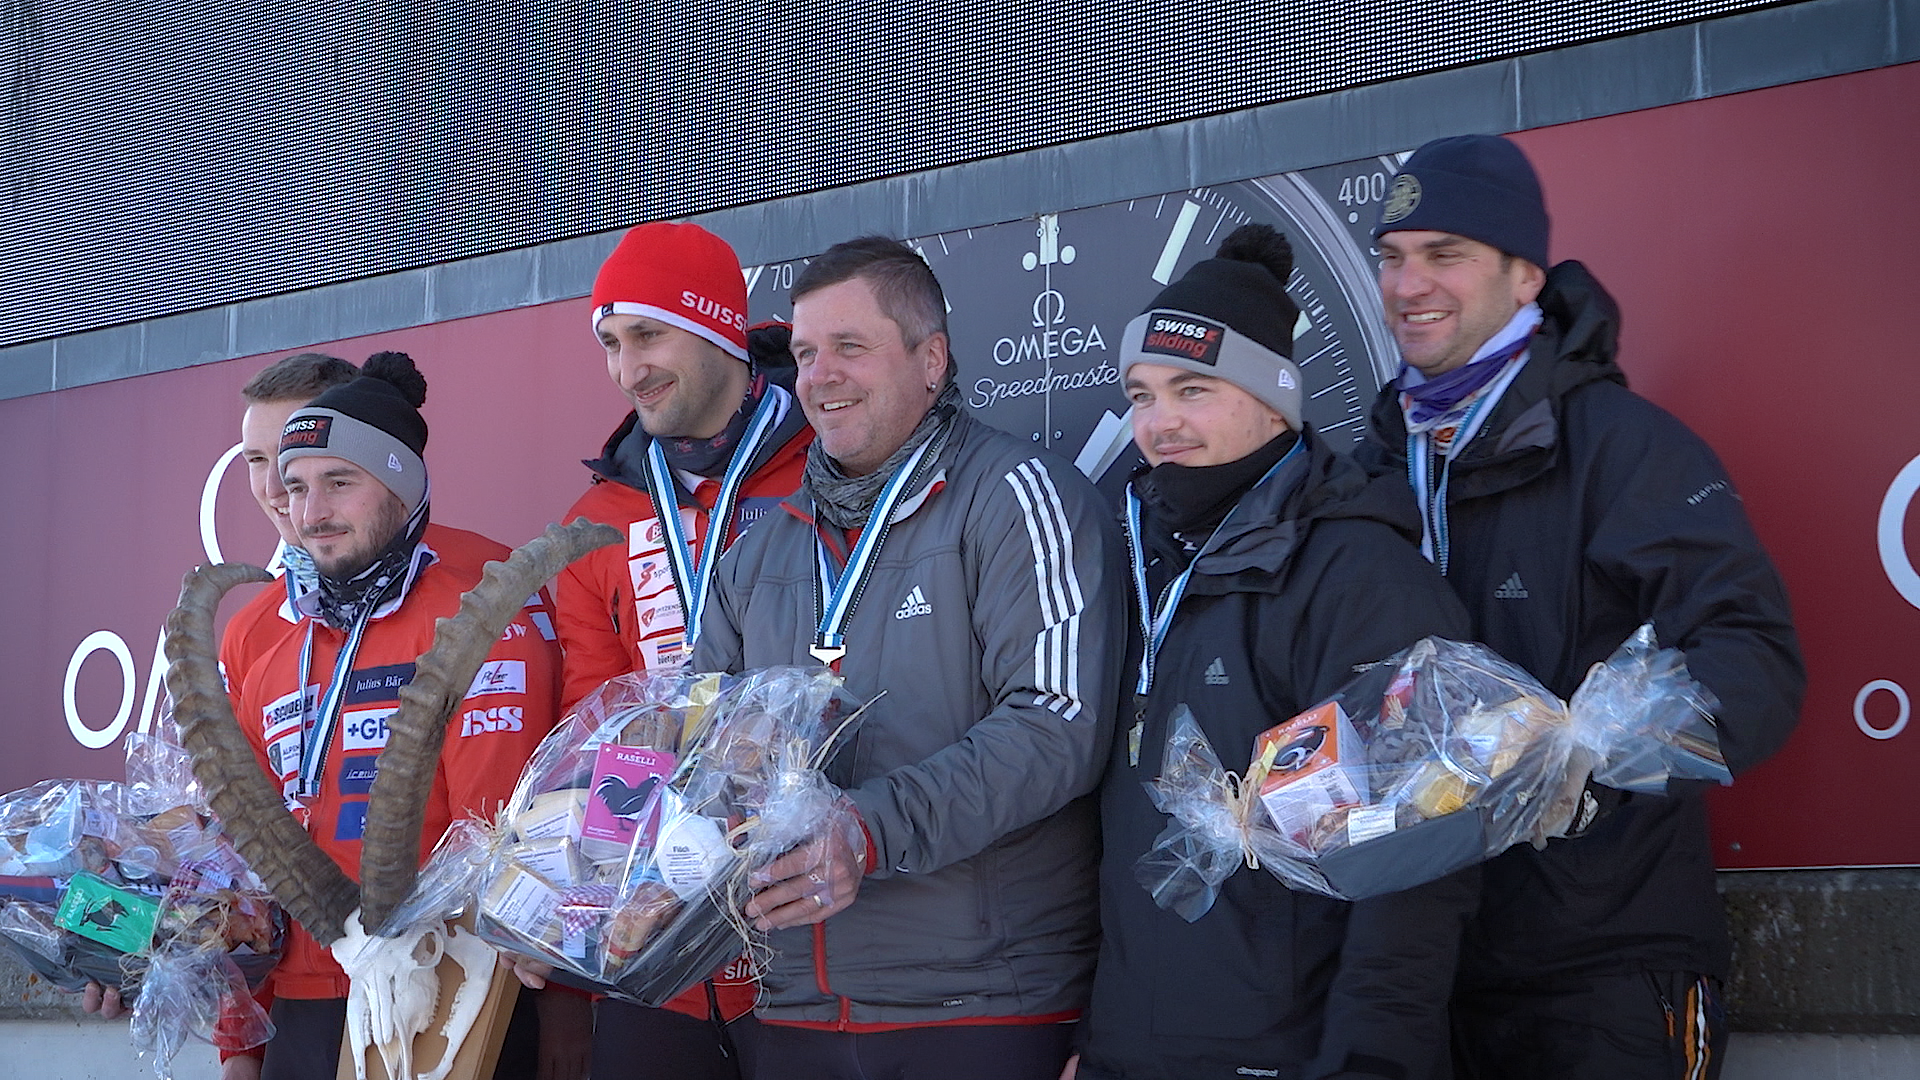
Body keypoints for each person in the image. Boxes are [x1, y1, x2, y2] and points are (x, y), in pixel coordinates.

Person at [1359, 134, 1804, 1079]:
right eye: (1392, 257)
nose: (1408, 285)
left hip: (1602, 968)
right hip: (1412, 971)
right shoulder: (1368, 470)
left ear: (1525, 278)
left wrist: (1591, 756)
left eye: (1445, 255)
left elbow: (1754, 658)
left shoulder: (1621, 447)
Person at [690, 236, 1124, 1080]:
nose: (820, 376)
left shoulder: (1018, 498)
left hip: (982, 1008)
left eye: (852, 347)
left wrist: (867, 830)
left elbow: (1056, 725)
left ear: (931, 362)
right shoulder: (756, 551)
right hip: (794, 1011)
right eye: (807, 354)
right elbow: (704, 742)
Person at [1069, 224, 1477, 1080]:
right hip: (1134, 1047)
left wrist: (1372, 1059)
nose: (1160, 423)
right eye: (1141, 396)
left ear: (1272, 402)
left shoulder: (1356, 570)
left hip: (1292, 1050)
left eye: (1193, 390)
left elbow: (1425, 844)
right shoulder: (1134, 561)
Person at [228, 352, 566, 1080]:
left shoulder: (479, 606)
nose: (306, 511)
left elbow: (493, 838)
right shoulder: (267, 639)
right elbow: (242, 860)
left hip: (445, 989)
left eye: (338, 483)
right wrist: (238, 1042)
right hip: (300, 1002)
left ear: (400, 484)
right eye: (294, 485)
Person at [548, 222, 811, 1076]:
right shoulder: (597, 519)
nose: (628, 370)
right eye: (611, 345)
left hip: (814, 934)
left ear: (714, 325)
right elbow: (593, 720)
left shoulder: (833, 467)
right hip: (659, 959)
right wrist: (576, 893)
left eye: (649, 335)